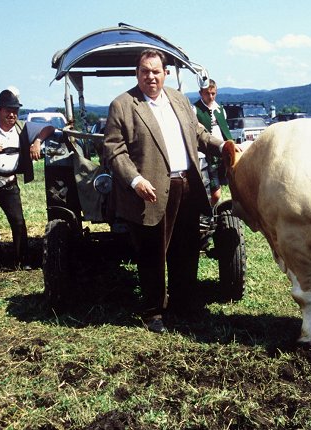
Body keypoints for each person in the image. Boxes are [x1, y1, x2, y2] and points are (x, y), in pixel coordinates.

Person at [102, 49, 238, 334]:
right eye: (144, 71)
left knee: (187, 249)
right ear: (137, 73)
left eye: (155, 71)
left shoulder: (178, 99)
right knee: (152, 253)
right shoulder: (123, 105)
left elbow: (198, 133)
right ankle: (153, 312)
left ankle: (184, 304)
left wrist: (221, 145)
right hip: (148, 192)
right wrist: (136, 181)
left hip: (186, 185)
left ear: (165, 73)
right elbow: (114, 151)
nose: (150, 76)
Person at [0, 88, 54, 270]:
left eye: (15, 111)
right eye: (8, 110)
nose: (12, 114)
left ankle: (23, 259)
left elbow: (50, 128)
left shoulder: (23, 128)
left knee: (18, 221)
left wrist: (37, 142)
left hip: (8, 182)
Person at [193, 79, 232, 205]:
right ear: (201, 93)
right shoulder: (194, 110)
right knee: (215, 192)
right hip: (207, 155)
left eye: (213, 93)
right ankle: (211, 214)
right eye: (207, 93)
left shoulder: (220, 109)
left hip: (223, 152)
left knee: (230, 183)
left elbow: (225, 130)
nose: (210, 97)